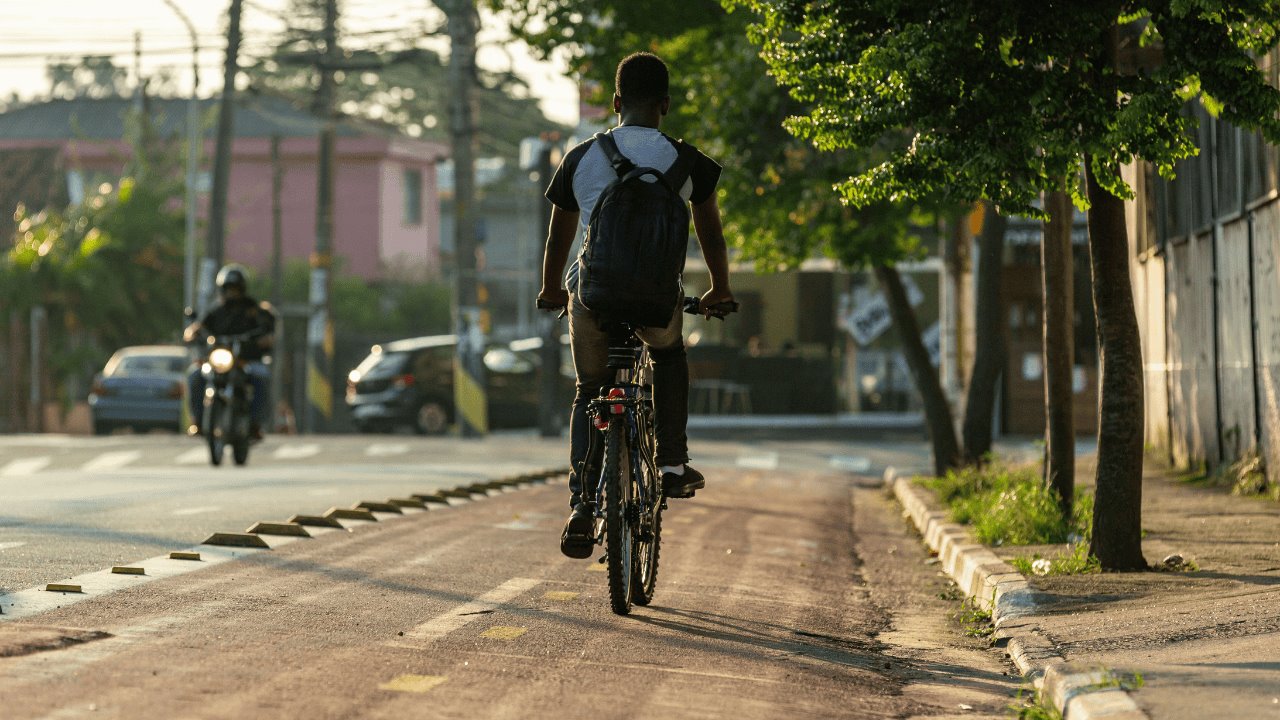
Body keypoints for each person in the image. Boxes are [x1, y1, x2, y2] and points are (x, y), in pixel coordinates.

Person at [537, 51, 736, 558]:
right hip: (656, 297)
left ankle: (583, 505)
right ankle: (671, 464)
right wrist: (719, 288)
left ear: (616, 102)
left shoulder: (581, 157)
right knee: (669, 356)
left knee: (589, 389)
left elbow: (558, 238)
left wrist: (553, 290)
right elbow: (710, 233)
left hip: (594, 296)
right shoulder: (688, 161)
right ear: (665, 104)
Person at [183, 264, 276, 440]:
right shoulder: (215, 311)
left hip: (247, 360)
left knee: (262, 377)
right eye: (228, 289)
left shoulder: (254, 310)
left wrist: (265, 338)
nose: (232, 293)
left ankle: (256, 424)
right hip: (218, 361)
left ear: (242, 289)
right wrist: (191, 333)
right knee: (194, 375)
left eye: (235, 289)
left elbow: (268, 329)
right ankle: (197, 421)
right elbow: (197, 327)